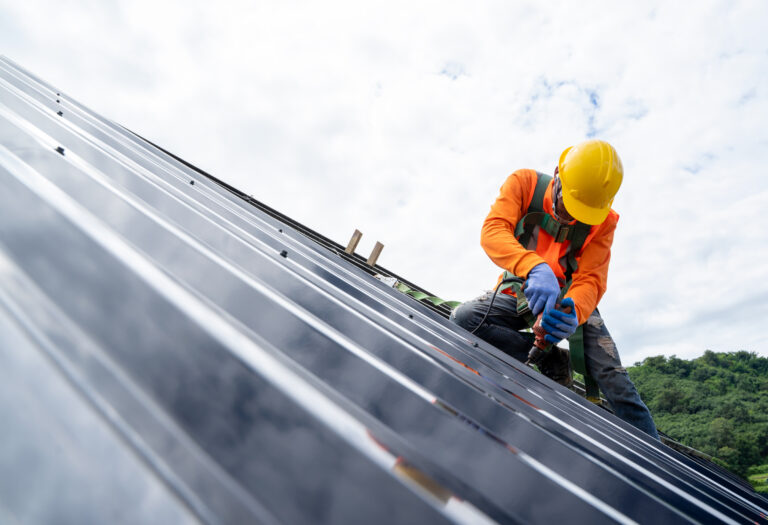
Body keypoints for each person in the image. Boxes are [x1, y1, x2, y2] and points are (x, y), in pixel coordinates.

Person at [450, 140, 659, 439]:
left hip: (569, 301)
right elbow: (493, 230)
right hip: (522, 288)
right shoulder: (524, 184)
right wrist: (533, 266)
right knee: (464, 319)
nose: (570, 217)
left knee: (615, 382)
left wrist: (575, 310)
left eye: (581, 214)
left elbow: (592, 278)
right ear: (557, 175)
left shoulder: (605, 221)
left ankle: (653, 452)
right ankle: (550, 359)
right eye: (567, 206)